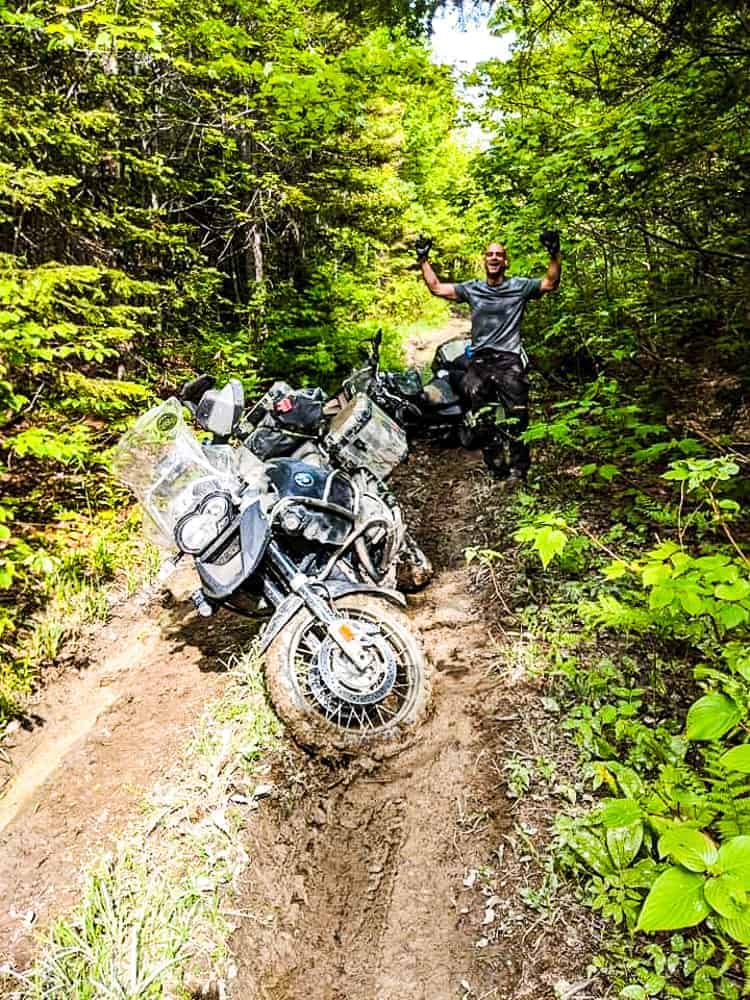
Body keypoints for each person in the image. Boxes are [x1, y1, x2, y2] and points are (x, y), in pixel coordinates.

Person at [415, 232, 561, 481]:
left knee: (518, 417)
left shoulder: (519, 287)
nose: (494, 258)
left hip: (508, 361)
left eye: (499, 255)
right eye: (490, 254)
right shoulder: (473, 289)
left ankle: (519, 472)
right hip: (480, 363)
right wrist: (423, 258)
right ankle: (496, 469)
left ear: (505, 262)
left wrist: (554, 254)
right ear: (484, 260)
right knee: (481, 420)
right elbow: (437, 288)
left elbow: (549, 283)